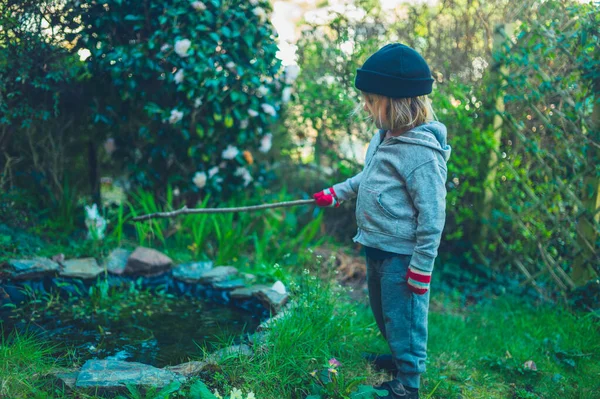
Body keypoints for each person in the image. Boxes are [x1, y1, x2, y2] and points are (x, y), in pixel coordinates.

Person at [313, 43, 451, 399]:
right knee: (385, 311)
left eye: (370, 100)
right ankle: (397, 358)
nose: (365, 106)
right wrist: (338, 191)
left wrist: (422, 266)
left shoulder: (421, 152)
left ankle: (409, 384)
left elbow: (433, 215)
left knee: (404, 317)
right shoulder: (385, 138)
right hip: (377, 246)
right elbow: (368, 179)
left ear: (396, 101)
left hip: (403, 255)